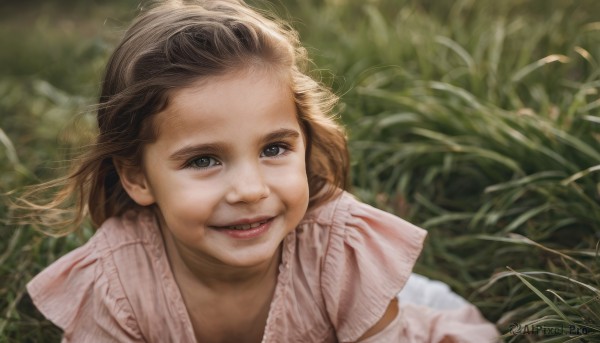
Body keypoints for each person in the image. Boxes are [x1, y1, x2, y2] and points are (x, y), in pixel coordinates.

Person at [24, 0, 499, 341]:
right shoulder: (117, 285)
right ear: (138, 178)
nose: (250, 190)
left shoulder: (337, 252)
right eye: (203, 160)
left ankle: (410, 290)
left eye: (274, 148)